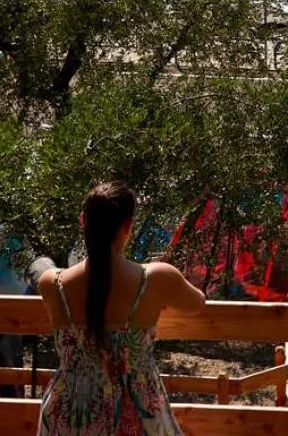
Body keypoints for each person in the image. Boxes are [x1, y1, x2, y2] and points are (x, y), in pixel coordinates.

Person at [36, 182, 206, 436]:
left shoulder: (51, 283)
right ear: (127, 226)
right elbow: (197, 303)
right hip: (137, 410)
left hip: (69, 412)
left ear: (83, 221)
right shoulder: (157, 279)